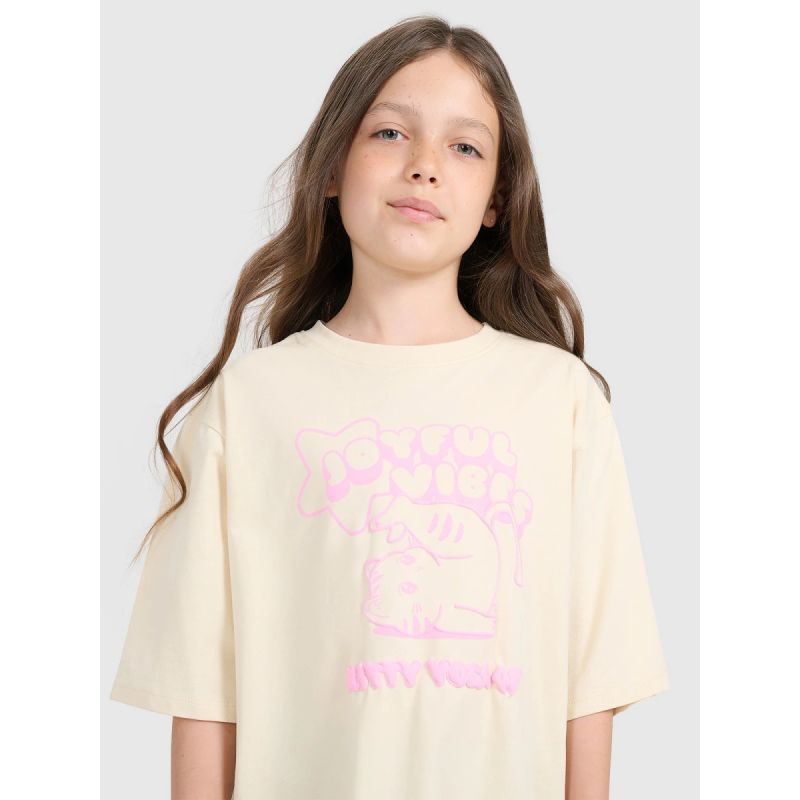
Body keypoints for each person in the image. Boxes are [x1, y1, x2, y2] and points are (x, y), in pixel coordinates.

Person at [109, 14, 670, 800]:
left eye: (465, 147)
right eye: (390, 134)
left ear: (496, 200)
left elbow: (593, 685)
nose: (424, 167)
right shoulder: (251, 404)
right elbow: (203, 692)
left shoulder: (562, 403)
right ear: (333, 167)